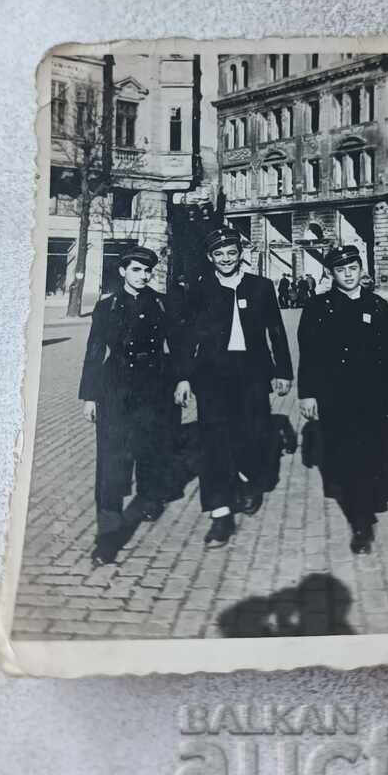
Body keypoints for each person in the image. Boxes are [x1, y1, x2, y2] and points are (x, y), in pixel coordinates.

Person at [173, 227, 293, 549]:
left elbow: (276, 332)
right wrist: (183, 377)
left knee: (252, 434)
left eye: (231, 252)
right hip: (212, 376)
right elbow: (187, 338)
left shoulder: (261, 286)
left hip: (253, 374)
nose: (226, 259)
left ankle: (248, 482)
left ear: (240, 253)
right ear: (211, 257)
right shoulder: (198, 290)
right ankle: (220, 513)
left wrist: (283, 371)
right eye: (219, 254)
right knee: (214, 442)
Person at [297, 245, 388, 554]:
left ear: (361, 270)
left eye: (352, 268)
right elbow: (308, 355)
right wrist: (307, 393)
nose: (347, 275)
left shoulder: (378, 305)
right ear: (331, 274)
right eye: (340, 270)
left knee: (376, 454)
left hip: (376, 396)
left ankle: (369, 502)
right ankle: (360, 524)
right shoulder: (318, 307)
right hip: (337, 397)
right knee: (347, 457)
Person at [79, 246, 181, 566]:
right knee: (111, 461)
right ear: (123, 271)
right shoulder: (107, 307)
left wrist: (182, 380)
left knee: (150, 447)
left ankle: (149, 495)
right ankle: (107, 536)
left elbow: (177, 346)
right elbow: (95, 350)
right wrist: (90, 396)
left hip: (154, 388)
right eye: (136, 270)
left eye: (147, 271)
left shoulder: (161, 303)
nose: (143, 276)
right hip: (116, 389)